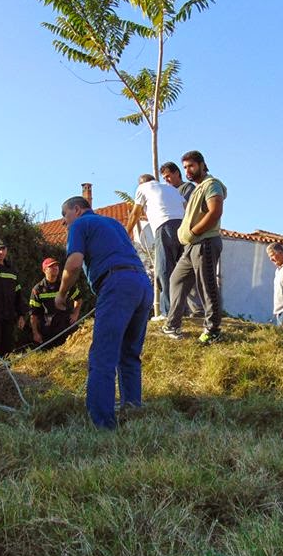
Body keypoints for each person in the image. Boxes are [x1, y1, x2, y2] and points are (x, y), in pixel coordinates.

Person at [55, 196, 153, 429]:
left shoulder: (80, 224)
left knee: (103, 356)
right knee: (129, 354)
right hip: (141, 284)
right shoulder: (115, 224)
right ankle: (132, 411)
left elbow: (74, 263)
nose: (63, 223)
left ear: (77, 210)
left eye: (64, 215)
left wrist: (61, 294)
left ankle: (102, 423)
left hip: (116, 284)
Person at [162, 150, 227, 344]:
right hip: (191, 246)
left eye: (191, 166)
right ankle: (172, 323)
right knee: (176, 279)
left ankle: (213, 329)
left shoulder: (211, 184)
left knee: (206, 286)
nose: (188, 171)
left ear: (201, 164)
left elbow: (215, 212)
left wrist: (194, 232)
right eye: (185, 167)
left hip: (205, 241)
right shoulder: (197, 188)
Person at [125, 174, 186, 317]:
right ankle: (184, 310)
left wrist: (126, 233)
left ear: (142, 183)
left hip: (164, 226)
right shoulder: (171, 188)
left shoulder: (143, 187)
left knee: (164, 270)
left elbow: (135, 213)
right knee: (181, 269)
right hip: (183, 227)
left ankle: (168, 312)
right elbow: (186, 207)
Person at [29, 257, 82, 347]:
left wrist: (75, 314)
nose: (55, 268)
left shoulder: (66, 283)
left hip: (67, 327)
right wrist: (35, 333)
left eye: (56, 265)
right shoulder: (37, 289)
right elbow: (33, 314)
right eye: (51, 266)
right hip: (48, 330)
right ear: (44, 270)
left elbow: (78, 299)